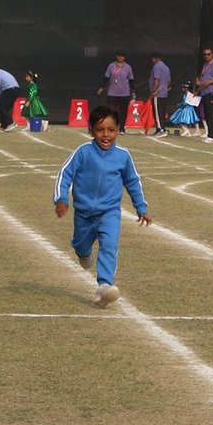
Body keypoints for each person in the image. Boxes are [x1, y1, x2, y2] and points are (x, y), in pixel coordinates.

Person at [54, 105, 151, 307]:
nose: (106, 135)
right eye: (100, 130)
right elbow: (65, 174)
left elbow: (133, 182)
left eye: (111, 130)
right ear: (91, 130)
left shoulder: (123, 156)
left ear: (118, 130)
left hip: (109, 212)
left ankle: (104, 286)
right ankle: (83, 253)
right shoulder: (83, 152)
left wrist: (141, 207)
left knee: (109, 244)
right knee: (80, 245)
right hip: (83, 213)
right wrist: (61, 199)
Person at [98, 51, 134, 131]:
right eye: (119, 56)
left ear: (124, 57)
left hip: (124, 93)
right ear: (116, 57)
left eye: (122, 56)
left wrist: (133, 91)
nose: (120, 57)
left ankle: (122, 128)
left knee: (123, 111)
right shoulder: (111, 66)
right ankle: (112, 126)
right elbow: (106, 77)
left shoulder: (128, 67)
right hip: (112, 92)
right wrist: (102, 88)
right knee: (110, 110)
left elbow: (131, 80)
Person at [194, 48, 213, 143]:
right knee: (206, 115)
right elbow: (203, 81)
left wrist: (210, 82)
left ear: (212, 54)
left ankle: (212, 136)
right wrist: (197, 91)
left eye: (208, 54)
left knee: (211, 115)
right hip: (204, 92)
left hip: (211, 92)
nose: (206, 56)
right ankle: (210, 134)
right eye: (205, 54)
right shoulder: (205, 65)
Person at [147, 53, 171, 137]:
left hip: (157, 93)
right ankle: (159, 128)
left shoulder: (157, 66)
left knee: (157, 112)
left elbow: (157, 79)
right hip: (164, 93)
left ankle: (161, 129)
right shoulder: (166, 67)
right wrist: (165, 89)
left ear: (155, 58)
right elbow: (168, 81)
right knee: (162, 111)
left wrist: (154, 91)